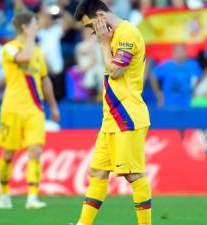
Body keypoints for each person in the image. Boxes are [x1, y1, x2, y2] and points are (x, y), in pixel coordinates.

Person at [73, 0, 151, 225]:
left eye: (90, 26)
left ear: (100, 15)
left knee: (133, 175)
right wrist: (104, 42)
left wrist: (104, 44)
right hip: (111, 117)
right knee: (97, 171)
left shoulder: (127, 34)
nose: (91, 32)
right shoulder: (112, 36)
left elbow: (116, 71)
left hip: (128, 116)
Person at [0, 11, 60, 210]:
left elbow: (45, 79)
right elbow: (23, 58)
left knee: (35, 151)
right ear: (25, 27)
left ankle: (32, 197)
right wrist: (31, 39)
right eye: (34, 23)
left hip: (34, 109)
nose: (37, 26)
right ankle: (4, 192)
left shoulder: (38, 52)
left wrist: (53, 106)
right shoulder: (9, 48)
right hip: (12, 109)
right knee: (8, 154)